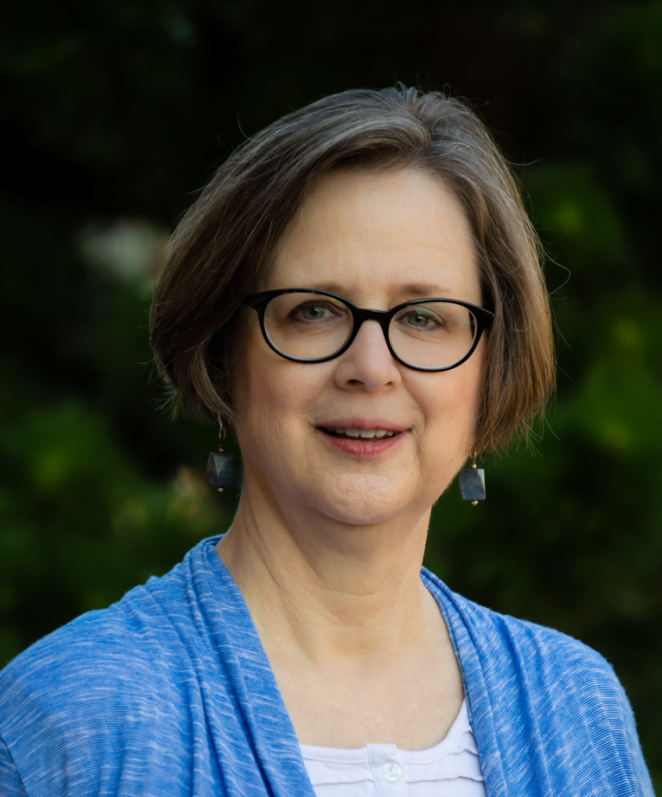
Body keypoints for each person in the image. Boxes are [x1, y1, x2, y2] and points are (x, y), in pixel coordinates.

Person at [0, 87, 654, 797]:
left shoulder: (577, 706)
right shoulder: (73, 715)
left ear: (489, 368)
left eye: (424, 317)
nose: (371, 367)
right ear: (223, 354)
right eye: (314, 310)